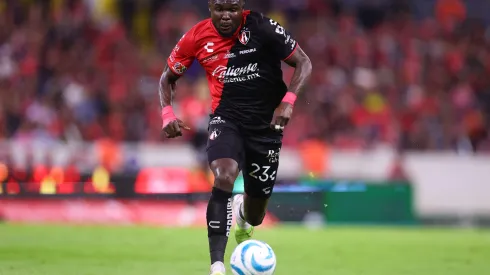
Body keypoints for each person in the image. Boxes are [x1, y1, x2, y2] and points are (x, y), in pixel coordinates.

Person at [158, 1, 312, 274]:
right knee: (224, 175)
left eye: (232, 9)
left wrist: (288, 101)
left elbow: (303, 62)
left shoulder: (263, 27)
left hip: (266, 129)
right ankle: (216, 266)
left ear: (242, 6)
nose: (226, 16)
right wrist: (168, 113)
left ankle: (242, 213)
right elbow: (167, 78)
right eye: (219, 9)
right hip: (226, 120)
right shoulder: (196, 36)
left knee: (256, 215)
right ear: (210, 7)